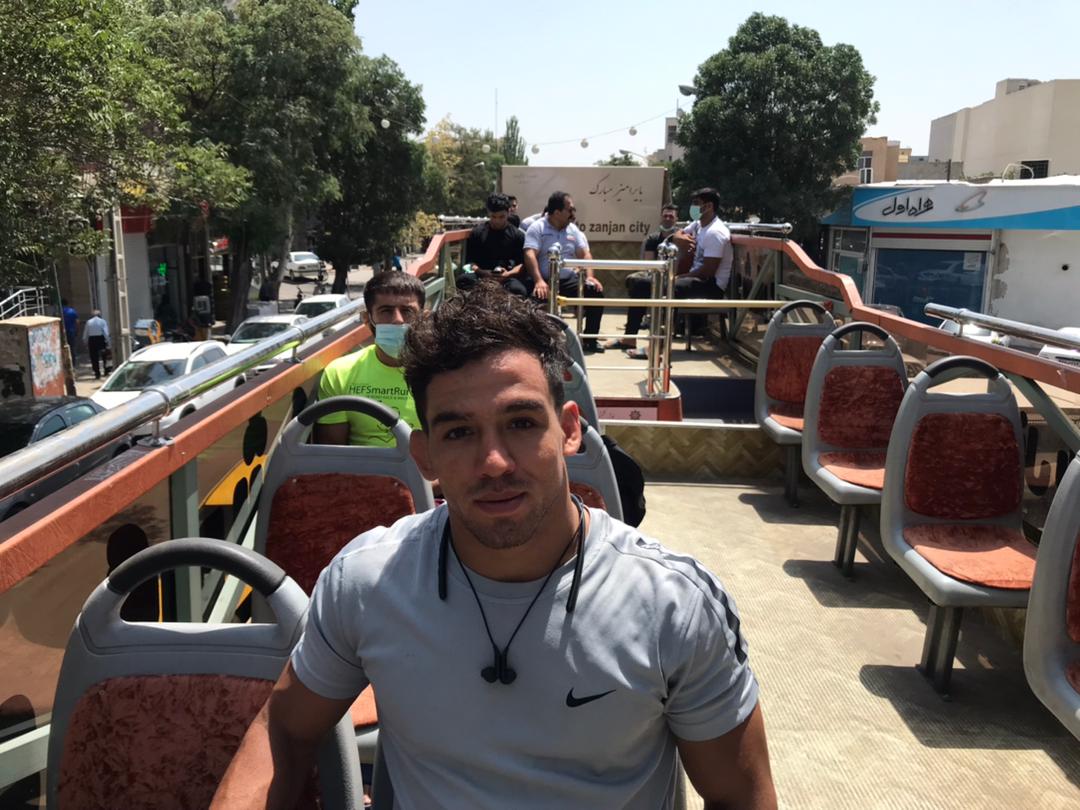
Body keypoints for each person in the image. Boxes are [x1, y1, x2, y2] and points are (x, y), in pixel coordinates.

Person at [211, 286, 776, 809]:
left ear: (570, 430)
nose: (495, 463)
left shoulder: (674, 604)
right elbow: (284, 729)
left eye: (521, 423)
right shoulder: (367, 582)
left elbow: (739, 795)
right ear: (424, 455)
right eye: (459, 432)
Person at [313, 271, 425, 446]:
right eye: (386, 311)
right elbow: (333, 452)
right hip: (361, 464)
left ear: (424, 317)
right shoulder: (340, 373)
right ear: (367, 318)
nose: (398, 320)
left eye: (407, 311)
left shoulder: (444, 371)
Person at [523, 191, 606, 352]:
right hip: (544, 280)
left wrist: (590, 277)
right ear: (557, 212)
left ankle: (590, 340)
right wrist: (538, 280)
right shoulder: (537, 227)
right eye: (570, 210)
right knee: (532, 303)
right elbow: (529, 254)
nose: (573, 213)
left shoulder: (573, 230)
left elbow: (585, 254)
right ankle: (537, 344)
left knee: (595, 293)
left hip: (568, 280)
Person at [604, 204, 680, 358]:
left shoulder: (682, 239)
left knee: (642, 288)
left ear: (676, 219)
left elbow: (680, 266)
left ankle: (655, 345)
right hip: (656, 278)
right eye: (665, 216)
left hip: (675, 280)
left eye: (671, 216)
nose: (667, 219)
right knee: (637, 285)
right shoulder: (653, 239)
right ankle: (629, 338)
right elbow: (649, 265)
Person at [671, 187, 733, 338]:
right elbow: (679, 232)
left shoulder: (715, 232)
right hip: (697, 280)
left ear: (709, 206)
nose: (693, 207)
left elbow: (708, 271)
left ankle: (663, 335)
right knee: (650, 282)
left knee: (668, 287)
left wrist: (679, 277)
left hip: (711, 286)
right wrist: (677, 237)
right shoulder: (698, 224)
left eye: (696, 203)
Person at [460, 192, 528, 297]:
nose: (497, 221)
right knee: (463, 281)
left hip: (507, 278)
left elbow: (523, 264)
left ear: (508, 212)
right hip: (481, 276)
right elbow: (470, 262)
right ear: (488, 213)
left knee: (519, 290)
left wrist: (508, 274)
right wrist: (483, 272)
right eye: (493, 217)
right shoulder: (477, 233)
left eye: (501, 217)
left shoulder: (518, 235)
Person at [82, 309, 110, 380]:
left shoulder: (89, 322)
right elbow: (105, 332)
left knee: (94, 357)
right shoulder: (102, 321)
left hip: (92, 340)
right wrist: (108, 341)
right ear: (99, 315)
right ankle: (106, 370)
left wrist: (85, 341)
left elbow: (86, 332)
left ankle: (97, 373)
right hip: (100, 339)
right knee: (104, 356)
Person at [192, 272, 214, 341]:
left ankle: (203, 335)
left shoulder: (196, 285)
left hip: (199, 302)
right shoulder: (208, 285)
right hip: (206, 304)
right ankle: (205, 336)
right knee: (205, 324)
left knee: (201, 322)